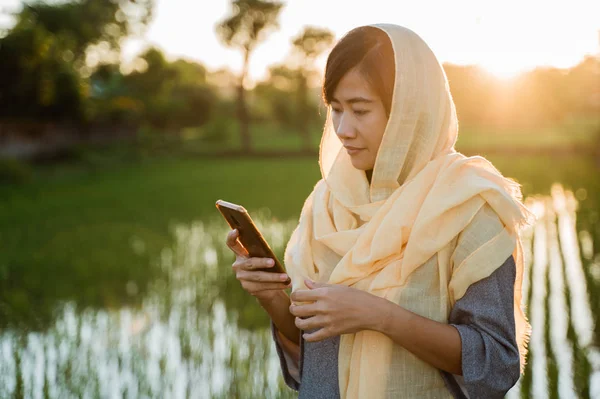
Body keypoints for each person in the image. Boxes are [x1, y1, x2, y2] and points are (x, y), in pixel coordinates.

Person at [225, 23, 535, 399]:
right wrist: (271, 297)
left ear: (409, 110)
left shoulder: (468, 207)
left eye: (359, 110)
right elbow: (316, 348)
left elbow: (496, 363)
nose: (343, 129)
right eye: (336, 110)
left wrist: (379, 316)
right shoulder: (327, 202)